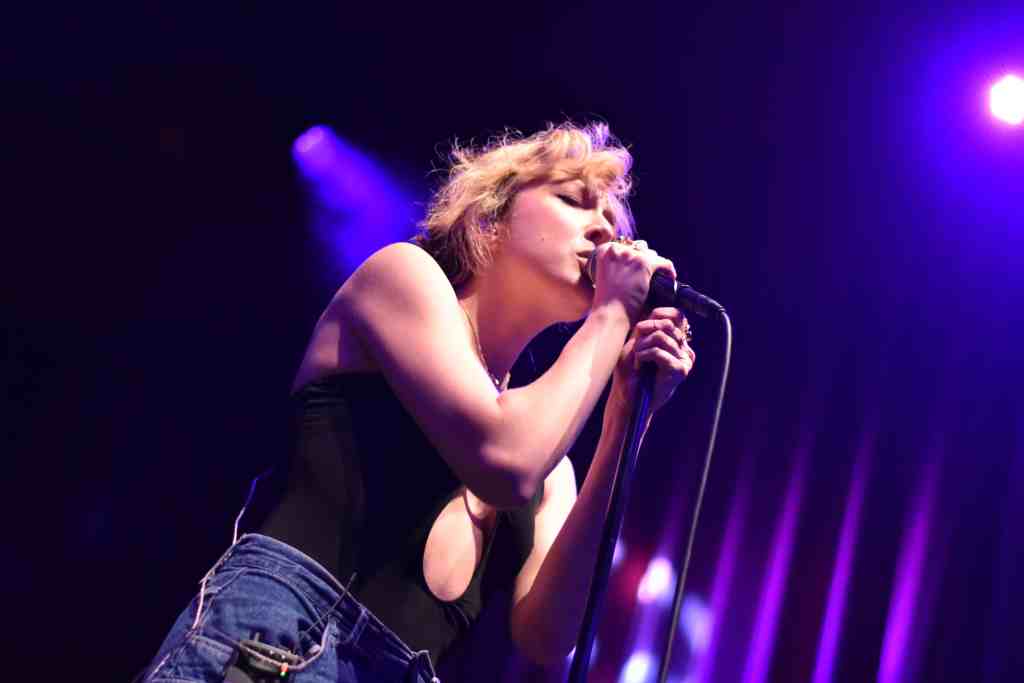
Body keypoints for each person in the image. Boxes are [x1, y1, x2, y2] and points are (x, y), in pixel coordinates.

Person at [139, 121, 695, 682]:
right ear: (490, 217)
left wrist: (625, 421)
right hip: (275, 643)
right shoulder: (402, 276)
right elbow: (503, 459)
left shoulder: (551, 472)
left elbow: (548, 634)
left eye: (612, 220)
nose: (604, 230)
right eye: (574, 200)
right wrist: (611, 313)